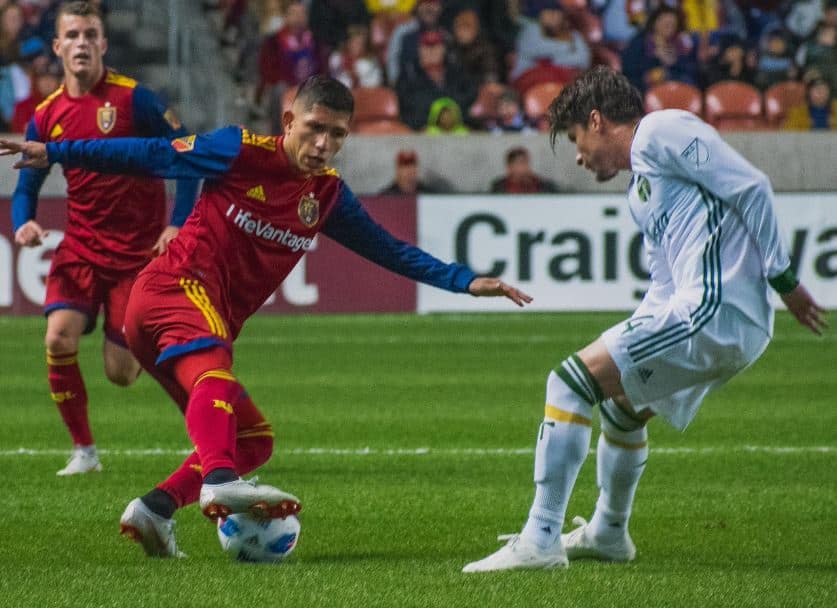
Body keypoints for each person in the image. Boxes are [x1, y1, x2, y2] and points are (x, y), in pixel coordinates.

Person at [1, 74, 532, 558]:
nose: (323, 144)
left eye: (337, 135)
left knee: (254, 439)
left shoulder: (325, 195)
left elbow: (389, 250)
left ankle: (155, 509)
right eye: (315, 128)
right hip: (172, 289)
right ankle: (220, 481)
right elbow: (152, 153)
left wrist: (464, 280)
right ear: (288, 120)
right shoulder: (238, 150)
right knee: (216, 375)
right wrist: (55, 151)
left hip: (181, 318)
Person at [462, 66, 826, 573]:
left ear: (597, 121)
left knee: (567, 382)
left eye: (576, 139)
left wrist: (784, 280)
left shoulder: (660, 130)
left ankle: (540, 537)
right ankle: (609, 532)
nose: (579, 156)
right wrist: (626, 348)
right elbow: (663, 285)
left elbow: (752, 187)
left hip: (715, 308)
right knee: (622, 407)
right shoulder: (640, 193)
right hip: (712, 316)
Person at [9, 1, 198, 477]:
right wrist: (23, 221)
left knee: (122, 372)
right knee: (57, 337)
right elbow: (27, 183)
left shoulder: (136, 101)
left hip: (137, 256)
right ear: (57, 46)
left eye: (90, 35)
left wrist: (177, 222)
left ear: (104, 44)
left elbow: (187, 157)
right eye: (72, 36)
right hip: (81, 248)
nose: (82, 44)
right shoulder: (46, 115)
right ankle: (84, 452)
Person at [378, 148, 449, 195]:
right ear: (398, 170)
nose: (410, 169)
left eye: (413, 165)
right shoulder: (387, 195)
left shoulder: (427, 194)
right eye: (405, 166)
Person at [490, 146, 559, 194]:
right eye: (521, 162)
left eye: (527, 162)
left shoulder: (542, 185)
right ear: (510, 167)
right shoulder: (499, 187)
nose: (525, 166)